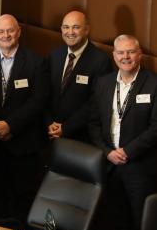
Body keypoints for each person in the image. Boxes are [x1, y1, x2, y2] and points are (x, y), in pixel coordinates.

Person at [88, 35, 157, 230]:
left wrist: (127, 151)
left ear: (139, 54)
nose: (126, 57)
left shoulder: (156, 84)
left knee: (142, 224)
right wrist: (108, 152)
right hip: (110, 164)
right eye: (121, 53)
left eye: (130, 52)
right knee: (117, 221)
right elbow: (93, 124)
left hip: (140, 167)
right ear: (113, 56)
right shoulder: (103, 83)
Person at [0, 14, 49, 226]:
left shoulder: (36, 62)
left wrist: (11, 125)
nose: (6, 35)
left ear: (19, 32)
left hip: (24, 145)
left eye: (10, 30)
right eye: (1, 31)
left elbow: (39, 101)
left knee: (22, 202)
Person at [47, 10, 111, 143]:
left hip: (80, 136)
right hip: (50, 131)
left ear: (87, 30)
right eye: (66, 27)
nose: (70, 32)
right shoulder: (54, 55)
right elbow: (43, 92)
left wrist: (66, 128)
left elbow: (96, 103)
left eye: (76, 27)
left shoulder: (100, 61)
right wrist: (49, 122)